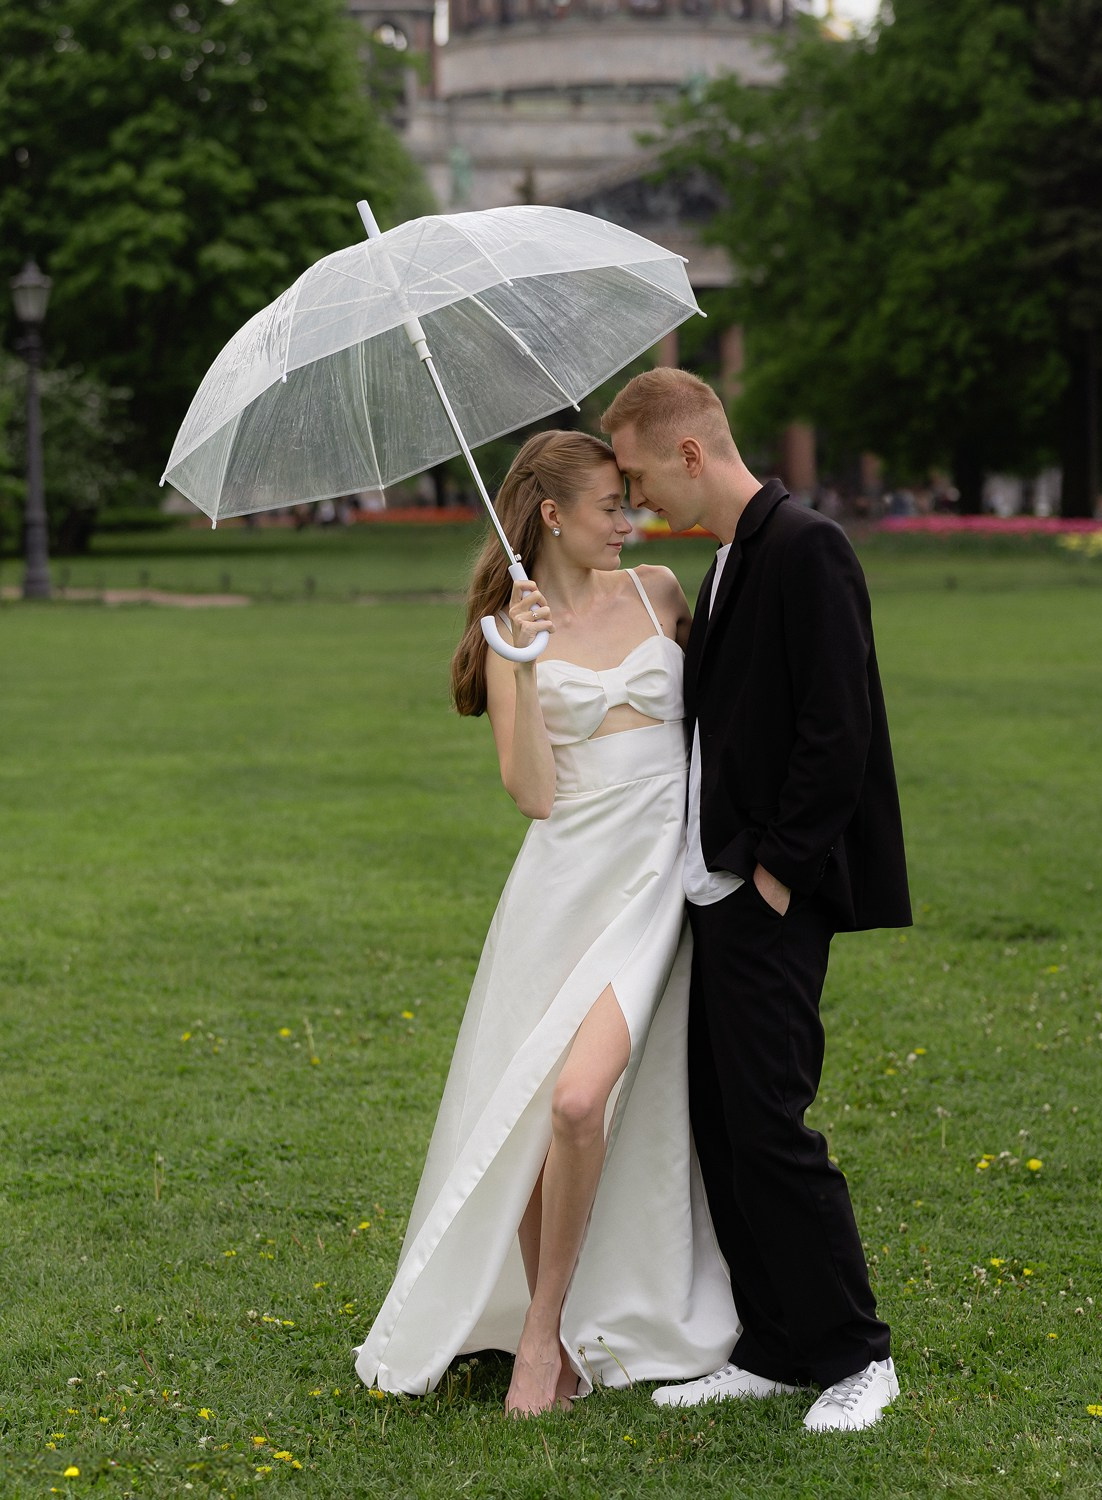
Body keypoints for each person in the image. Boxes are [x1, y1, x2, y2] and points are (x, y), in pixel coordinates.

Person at [355, 429, 737, 1414]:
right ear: (555, 516)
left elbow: (725, 720)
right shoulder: (503, 631)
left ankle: (545, 1326)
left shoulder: (659, 591)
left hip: (660, 876)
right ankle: (544, 1335)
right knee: (542, 1107)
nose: (632, 520)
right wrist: (521, 662)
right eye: (611, 506)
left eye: (630, 501)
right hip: (563, 882)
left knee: (580, 1102)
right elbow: (531, 794)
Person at [602, 369, 912, 1433]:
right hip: (716, 888)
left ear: (690, 452)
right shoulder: (731, 560)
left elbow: (841, 727)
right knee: (725, 1127)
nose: (641, 502)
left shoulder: (807, 546)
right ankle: (775, 1345)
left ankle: (858, 1354)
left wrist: (776, 869)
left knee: (772, 1124)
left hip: (771, 890)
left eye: (641, 477)